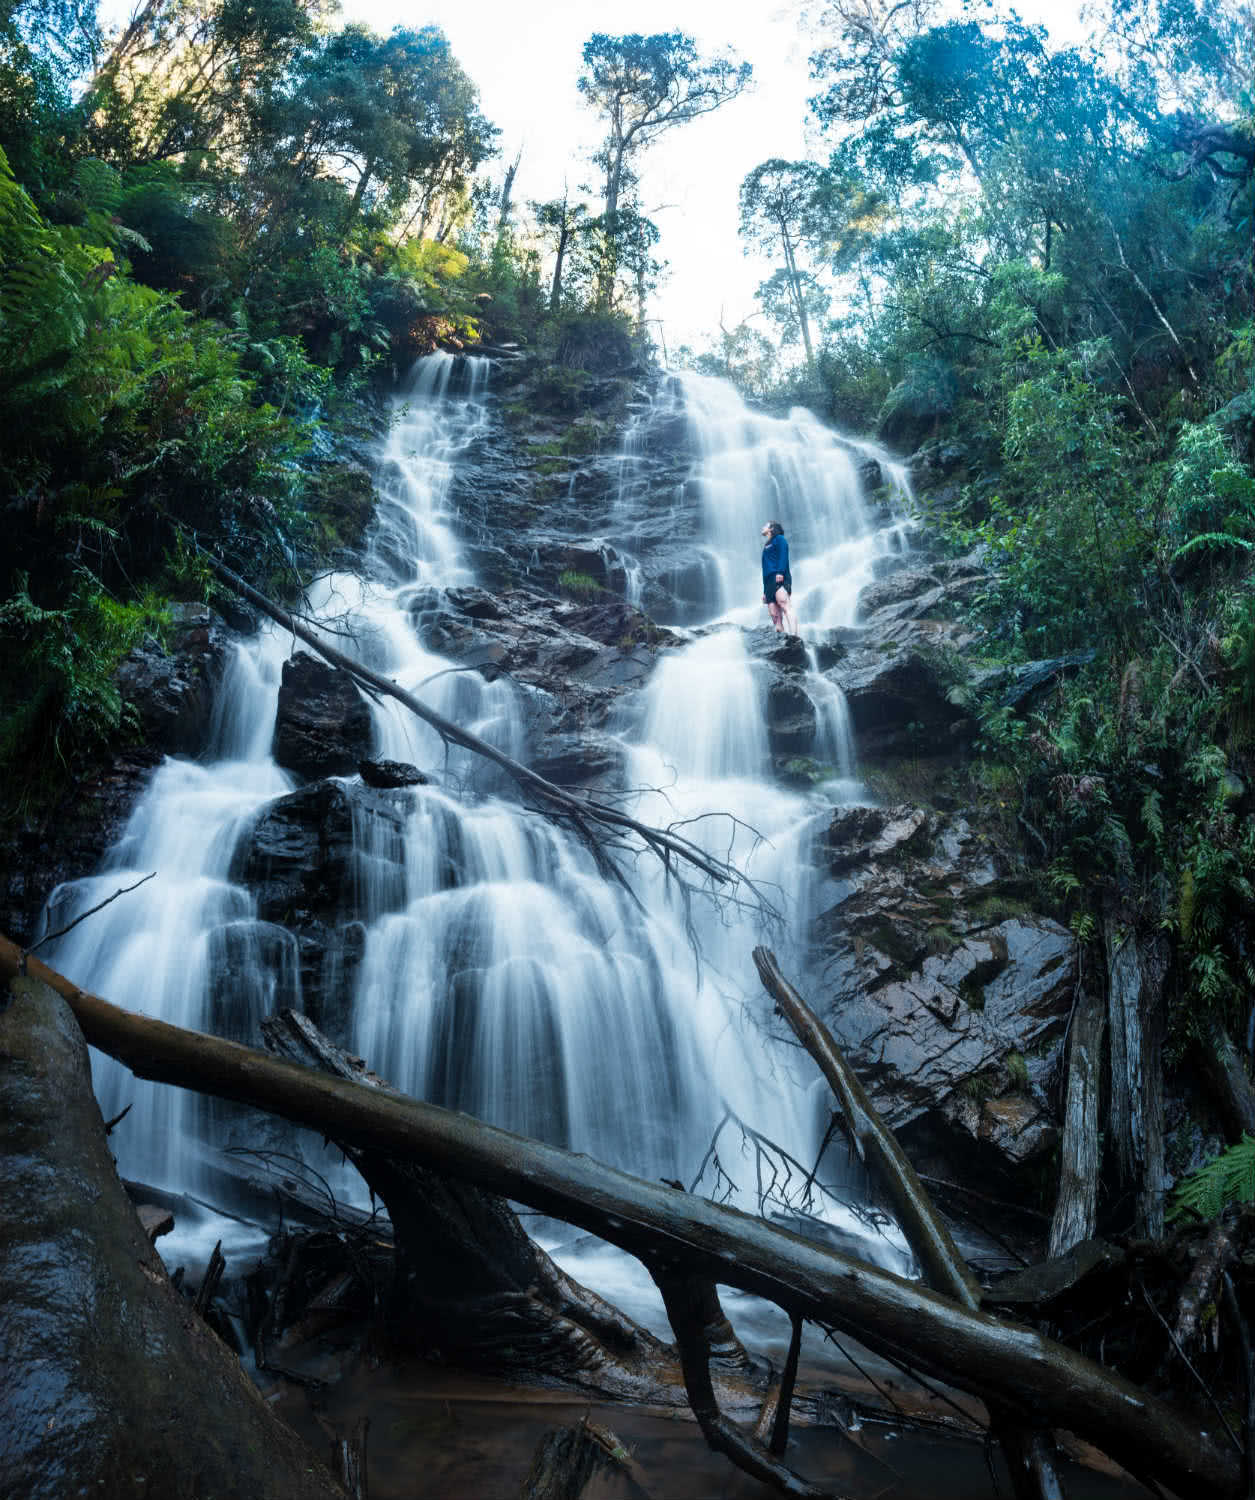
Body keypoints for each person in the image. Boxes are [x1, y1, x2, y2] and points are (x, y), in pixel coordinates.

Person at [761, 520, 798, 636]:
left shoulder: (780, 539)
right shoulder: (766, 545)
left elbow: (783, 555)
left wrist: (780, 572)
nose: (762, 528)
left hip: (779, 576)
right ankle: (781, 639)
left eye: (765, 526)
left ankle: (794, 637)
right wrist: (764, 591)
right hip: (768, 581)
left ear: (771, 528)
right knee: (774, 614)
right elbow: (765, 568)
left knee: (784, 603)